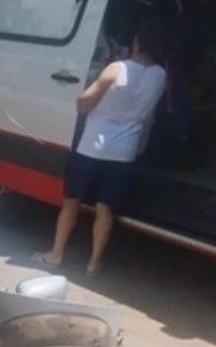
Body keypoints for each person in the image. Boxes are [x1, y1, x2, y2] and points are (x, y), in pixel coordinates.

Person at [35, 22, 166, 275]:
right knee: (105, 209)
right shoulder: (160, 75)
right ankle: (94, 262)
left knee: (71, 203)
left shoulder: (117, 68)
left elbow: (83, 103)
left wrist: (100, 82)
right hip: (124, 154)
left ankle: (55, 255)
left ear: (137, 43)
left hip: (91, 149)